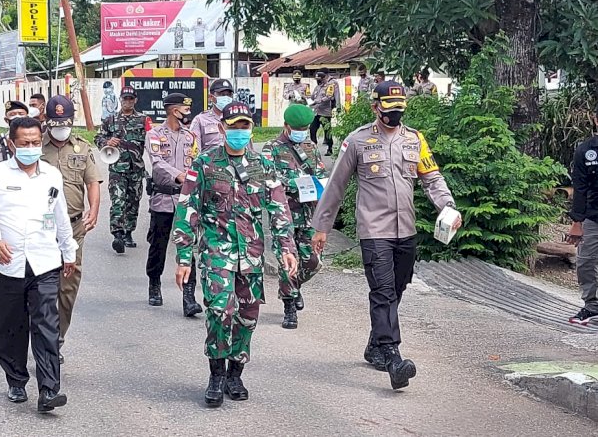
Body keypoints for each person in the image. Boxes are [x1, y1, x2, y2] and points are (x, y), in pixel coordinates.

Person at [311, 81, 460, 390]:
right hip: (373, 229)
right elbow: (336, 186)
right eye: (389, 109)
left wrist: (448, 207)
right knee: (382, 291)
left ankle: (374, 344)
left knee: (397, 288)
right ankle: (393, 357)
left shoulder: (415, 140)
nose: (395, 115)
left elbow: (432, 178)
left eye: (399, 109)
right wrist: (322, 227)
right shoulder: (357, 141)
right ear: (375, 107)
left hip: (405, 229)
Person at [173, 101, 297, 407]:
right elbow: (187, 209)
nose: (239, 132)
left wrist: (287, 248)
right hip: (217, 252)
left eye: (244, 126)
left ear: (251, 128)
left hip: (252, 255)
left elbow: (279, 210)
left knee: (247, 316)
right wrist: (184, 256)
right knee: (219, 310)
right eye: (233, 126)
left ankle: (235, 372)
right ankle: (216, 373)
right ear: (221, 128)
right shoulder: (204, 164)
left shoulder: (263, 166)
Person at [0, 116, 77, 413]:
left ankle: (48, 390)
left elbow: (60, 215)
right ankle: (16, 379)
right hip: (7, 263)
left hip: (44, 262)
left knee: (47, 325)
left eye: (35, 143)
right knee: (10, 327)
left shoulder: (50, 175)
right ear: (11, 144)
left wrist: (68, 250)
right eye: (24, 144)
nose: (31, 148)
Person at [41, 95, 102, 362]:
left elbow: (93, 183)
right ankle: (40, 336)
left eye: (65, 123)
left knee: (67, 287)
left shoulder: (82, 148)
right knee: (40, 285)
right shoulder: (35, 147)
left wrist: (94, 210)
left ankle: (57, 337)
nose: (60, 128)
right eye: (56, 123)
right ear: (47, 122)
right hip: (41, 228)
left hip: (74, 226)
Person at [261, 104, 328, 329]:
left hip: (309, 214)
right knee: (287, 260)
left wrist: (319, 188)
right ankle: (289, 306)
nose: (302, 132)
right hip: (284, 215)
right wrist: (296, 185)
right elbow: (267, 179)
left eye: (306, 128)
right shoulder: (272, 148)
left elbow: (320, 174)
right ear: (286, 126)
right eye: (298, 128)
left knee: (313, 261)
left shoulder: (310, 147)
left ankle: (293, 286)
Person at [144, 93, 202, 316]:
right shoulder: (155, 134)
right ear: (172, 110)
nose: (188, 113)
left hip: (186, 201)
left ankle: (189, 297)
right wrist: (179, 175)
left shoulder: (191, 136)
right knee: (158, 245)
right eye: (183, 109)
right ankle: (154, 282)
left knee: (187, 246)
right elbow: (157, 163)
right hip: (163, 198)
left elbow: (197, 160)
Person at [94, 85, 151, 253]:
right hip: (117, 168)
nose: (128, 102)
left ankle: (128, 232)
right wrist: (106, 142)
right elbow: (98, 137)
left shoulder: (143, 120)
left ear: (135, 100)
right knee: (118, 201)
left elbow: (153, 140)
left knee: (133, 201)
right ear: (120, 100)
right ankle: (117, 234)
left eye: (131, 99)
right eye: (125, 99)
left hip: (136, 168)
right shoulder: (110, 120)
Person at [566, 110, 598, 325]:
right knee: (585, 263)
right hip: (592, 217)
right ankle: (592, 307)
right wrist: (577, 222)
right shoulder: (585, 151)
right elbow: (580, 187)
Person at [0, 100, 29, 171]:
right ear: (6, 120)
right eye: (12, 114)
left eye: (21, 113)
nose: (17, 117)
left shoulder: (35, 142)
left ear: (27, 117)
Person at [190, 78, 235, 151]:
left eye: (229, 95)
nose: (226, 97)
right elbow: (195, 151)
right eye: (222, 94)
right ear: (211, 97)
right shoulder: (200, 120)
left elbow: (249, 151)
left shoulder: (238, 118)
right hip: (209, 161)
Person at [309, 71, 340, 156]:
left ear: (323, 78)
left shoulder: (329, 86)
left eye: (319, 79)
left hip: (325, 112)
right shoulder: (317, 87)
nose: (318, 81)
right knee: (312, 129)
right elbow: (312, 97)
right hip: (316, 112)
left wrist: (318, 101)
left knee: (327, 132)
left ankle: (330, 149)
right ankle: (313, 147)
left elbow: (329, 97)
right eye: (316, 79)